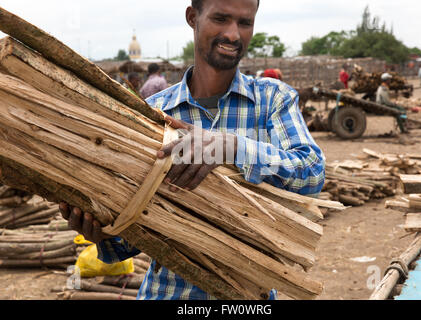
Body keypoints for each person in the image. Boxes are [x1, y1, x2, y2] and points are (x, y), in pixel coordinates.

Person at [59, 0, 325, 301]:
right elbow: (131, 238)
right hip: (169, 294)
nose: (233, 34)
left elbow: (312, 174)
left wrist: (231, 146)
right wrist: (102, 233)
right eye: (221, 18)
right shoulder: (154, 113)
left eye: (245, 23)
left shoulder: (272, 101)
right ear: (192, 17)